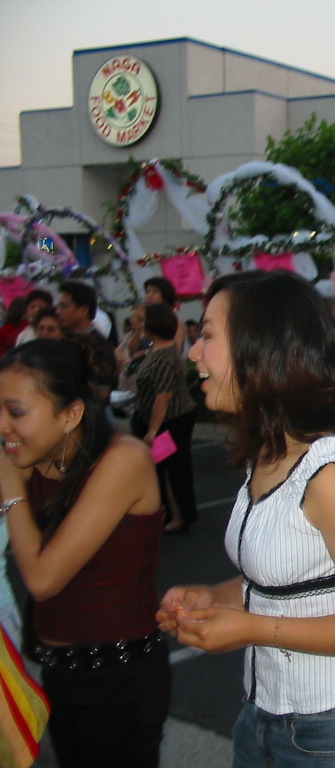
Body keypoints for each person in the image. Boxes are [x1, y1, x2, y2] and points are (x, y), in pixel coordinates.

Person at [158, 270, 335, 768]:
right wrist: (215, 597)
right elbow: (293, 580)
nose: (194, 352)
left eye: (207, 335)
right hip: (265, 714)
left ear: (261, 348)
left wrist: (250, 628)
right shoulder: (270, 450)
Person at [0, 339, 168, 767]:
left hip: (118, 679)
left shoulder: (122, 461)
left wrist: (12, 493)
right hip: (60, 672)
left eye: (16, 412)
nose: (3, 426)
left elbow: (43, 579)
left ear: (70, 414)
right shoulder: (37, 459)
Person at [132, 303, 198, 533]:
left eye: (143, 321)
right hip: (167, 419)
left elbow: (164, 397)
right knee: (166, 468)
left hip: (170, 421)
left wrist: (152, 432)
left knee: (171, 469)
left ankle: (178, 515)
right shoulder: (157, 349)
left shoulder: (164, 356)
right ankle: (174, 513)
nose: (140, 325)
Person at [55, 281, 117, 402]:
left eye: (64, 306)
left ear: (83, 310)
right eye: (58, 306)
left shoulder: (98, 347)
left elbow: (102, 392)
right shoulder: (64, 340)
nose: (58, 312)